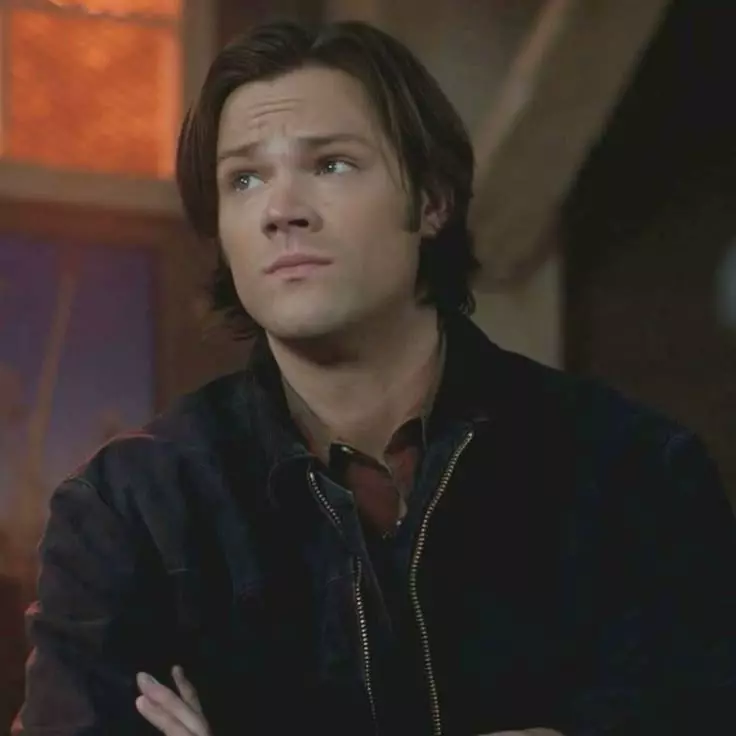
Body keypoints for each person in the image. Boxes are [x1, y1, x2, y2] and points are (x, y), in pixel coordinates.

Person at [12, 19, 736, 736]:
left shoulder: (635, 473)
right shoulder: (129, 510)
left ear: (431, 201)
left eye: (331, 164)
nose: (281, 211)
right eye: (244, 179)